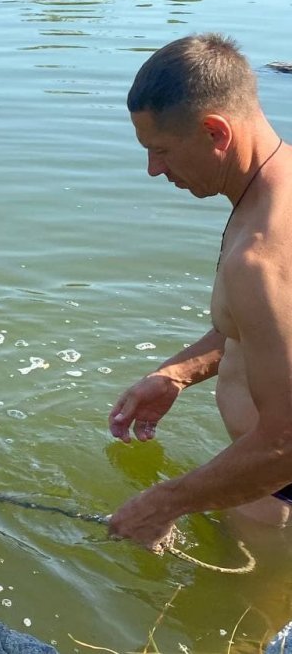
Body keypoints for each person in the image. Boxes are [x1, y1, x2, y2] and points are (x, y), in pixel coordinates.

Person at [108, 33, 292, 550]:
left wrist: (163, 502)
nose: (153, 170)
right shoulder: (278, 187)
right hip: (264, 482)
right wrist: (176, 375)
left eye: (162, 150)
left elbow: (285, 442)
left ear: (215, 132)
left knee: (251, 625)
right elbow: (263, 329)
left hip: (274, 485)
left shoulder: (260, 255)